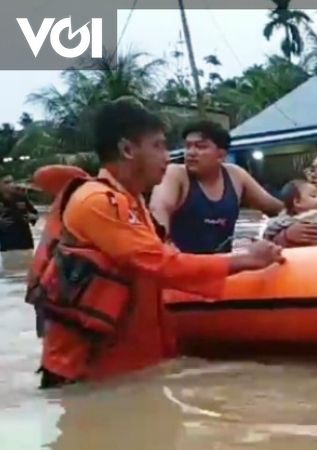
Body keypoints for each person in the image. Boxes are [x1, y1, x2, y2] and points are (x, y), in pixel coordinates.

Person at [27, 99, 285, 388]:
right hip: (85, 374)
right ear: (127, 150)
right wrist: (247, 260)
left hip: (130, 366)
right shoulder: (96, 202)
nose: (169, 156)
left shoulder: (132, 201)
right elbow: (161, 263)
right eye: (158, 146)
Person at [149, 120, 284, 254]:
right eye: (188, 146)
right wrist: (163, 245)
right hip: (183, 267)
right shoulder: (175, 174)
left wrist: (290, 226)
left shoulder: (236, 176)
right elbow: (158, 209)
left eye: (200, 146)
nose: (191, 152)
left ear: (221, 155)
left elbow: (276, 207)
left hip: (221, 267)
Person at [260, 179, 317, 245]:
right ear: (297, 202)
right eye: (313, 196)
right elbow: (268, 233)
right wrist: (285, 236)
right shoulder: (285, 221)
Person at [0, 174, 38, 252]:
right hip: (6, 245)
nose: (11, 185)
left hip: (25, 243)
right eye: (6, 182)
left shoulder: (21, 197)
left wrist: (31, 217)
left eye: (12, 181)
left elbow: (35, 214)